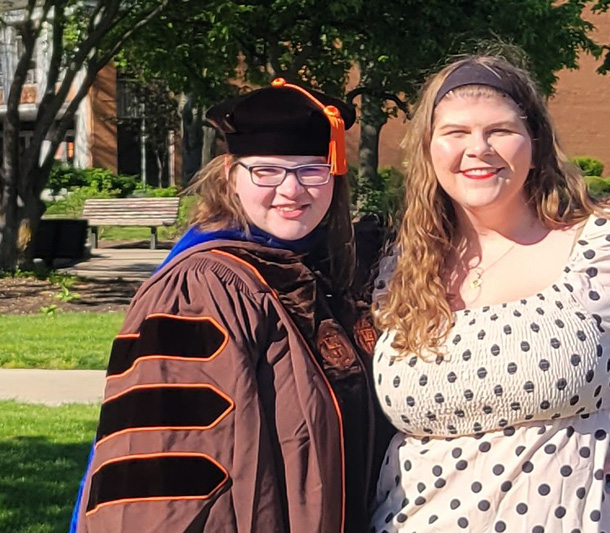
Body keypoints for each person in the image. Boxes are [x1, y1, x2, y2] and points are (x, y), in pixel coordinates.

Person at [369, 55, 610, 532]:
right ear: (428, 149)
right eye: (455, 133)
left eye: (500, 131)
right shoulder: (404, 268)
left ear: (535, 141)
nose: (479, 149)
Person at [72, 78, 383, 532]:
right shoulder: (203, 288)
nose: (292, 190)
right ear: (230, 178)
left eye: (312, 170)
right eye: (267, 171)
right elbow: (166, 474)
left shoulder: (332, 275)